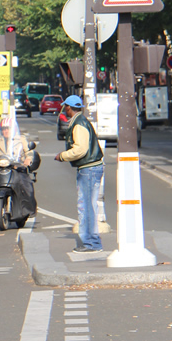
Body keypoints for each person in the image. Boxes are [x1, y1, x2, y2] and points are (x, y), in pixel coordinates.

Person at [55, 95, 104, 253]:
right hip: (92, 167)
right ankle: (93, 242)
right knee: (89, 205)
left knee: (86, 207)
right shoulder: (80, 121)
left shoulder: (78, 124)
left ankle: (90, 243)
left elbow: (80, 150)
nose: (64, 109)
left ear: (68, 107)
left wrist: (63, 156)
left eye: (65, 107)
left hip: (88, 169)